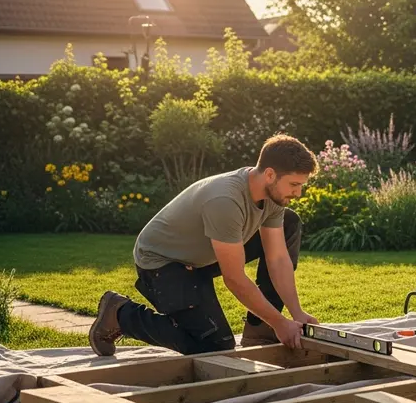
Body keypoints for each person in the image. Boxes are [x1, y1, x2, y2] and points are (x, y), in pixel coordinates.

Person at [88, 134, 322, 356]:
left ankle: (260, 329)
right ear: (270, 174)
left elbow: (277, 258)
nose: (298, 193)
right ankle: (120, 314)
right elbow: (235, 279)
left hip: (200, 257)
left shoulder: (272, 197)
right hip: (163, 263)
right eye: (294, 184)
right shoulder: (225, 201)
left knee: (290, 221)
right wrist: (281, 323)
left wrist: (296, 314)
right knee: (214, 347)